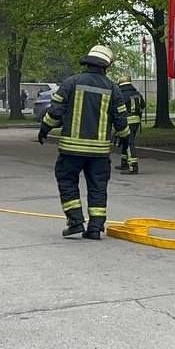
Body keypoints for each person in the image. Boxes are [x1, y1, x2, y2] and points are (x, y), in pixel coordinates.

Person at [38, 45, 130, 240]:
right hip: (99, 152)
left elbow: (55, 112)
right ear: (106, 66)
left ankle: (76, 221)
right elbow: (121, 119)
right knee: (98, 187)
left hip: (71, 150)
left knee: (67, 181)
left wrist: (44, 129)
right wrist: (125, 137)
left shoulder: (71, 83)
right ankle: (95, 228)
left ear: (88, 62)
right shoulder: (113, 88)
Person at [116, 75, 144, 174]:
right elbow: (142, 106)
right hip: (136, 121)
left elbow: (118, 109)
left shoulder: (121, 95)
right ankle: (124, 164)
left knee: (128, 143)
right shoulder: (137, 94)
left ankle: (133, 167)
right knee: (125, 141)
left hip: (126, 121)